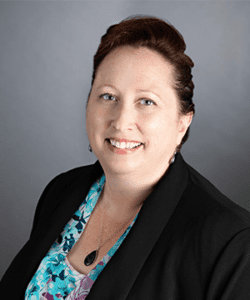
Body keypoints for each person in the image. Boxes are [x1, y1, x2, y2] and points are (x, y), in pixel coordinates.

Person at [1, 14, 250, 300]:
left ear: (182, 123)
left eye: (146, 101)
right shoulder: (60, 191)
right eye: (108, 97)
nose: (121, 121)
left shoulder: (232, 244)